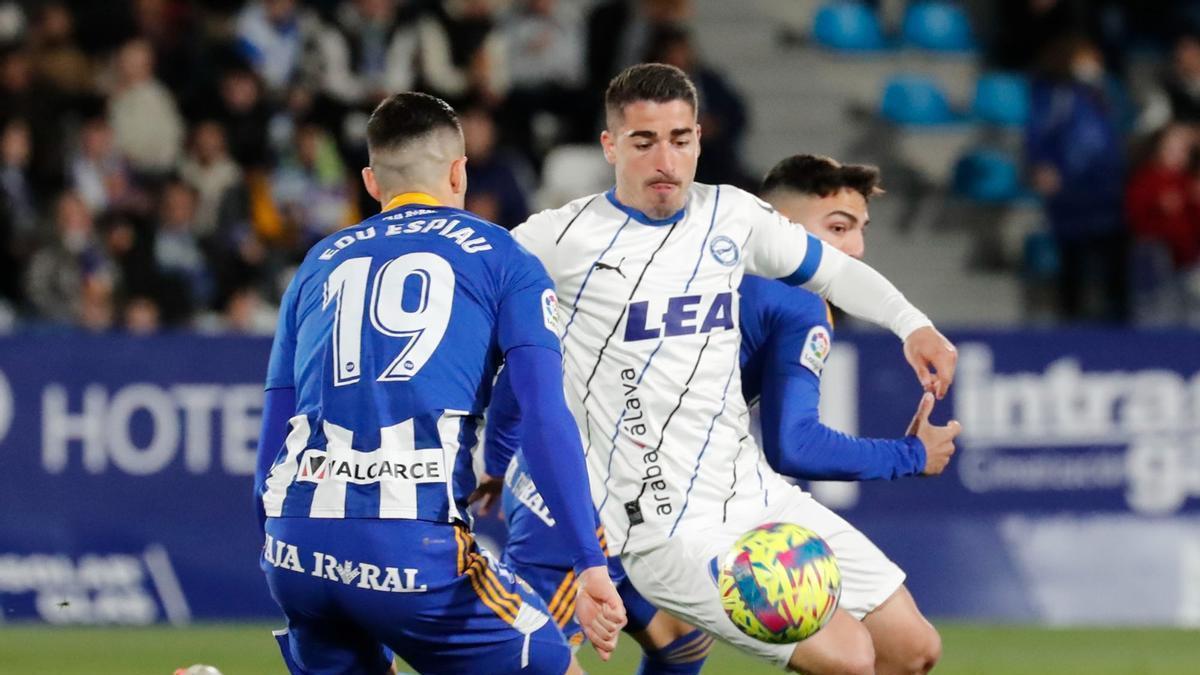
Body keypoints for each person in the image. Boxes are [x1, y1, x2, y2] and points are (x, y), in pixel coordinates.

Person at [505, 63, 956, 674]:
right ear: (611, 146)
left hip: (753, 494)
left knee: (913, 649)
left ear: (698, 139)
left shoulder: (732, 216)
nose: (666, 158)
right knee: (850, 659)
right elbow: (485, 309)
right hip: (659, 523)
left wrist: (913, 324)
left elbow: (834, 270)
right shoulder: (558, 238)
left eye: (681, 139)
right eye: (644, 141)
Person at [254, 91, 625, 675]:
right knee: (558, 665)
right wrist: (588, 561)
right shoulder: (504, 258)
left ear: (372, 182)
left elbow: (276, 430)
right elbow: (545, 414)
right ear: (459, 171)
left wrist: (283, 547)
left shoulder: (317, 263)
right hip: (415, 550)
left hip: (296, 546)